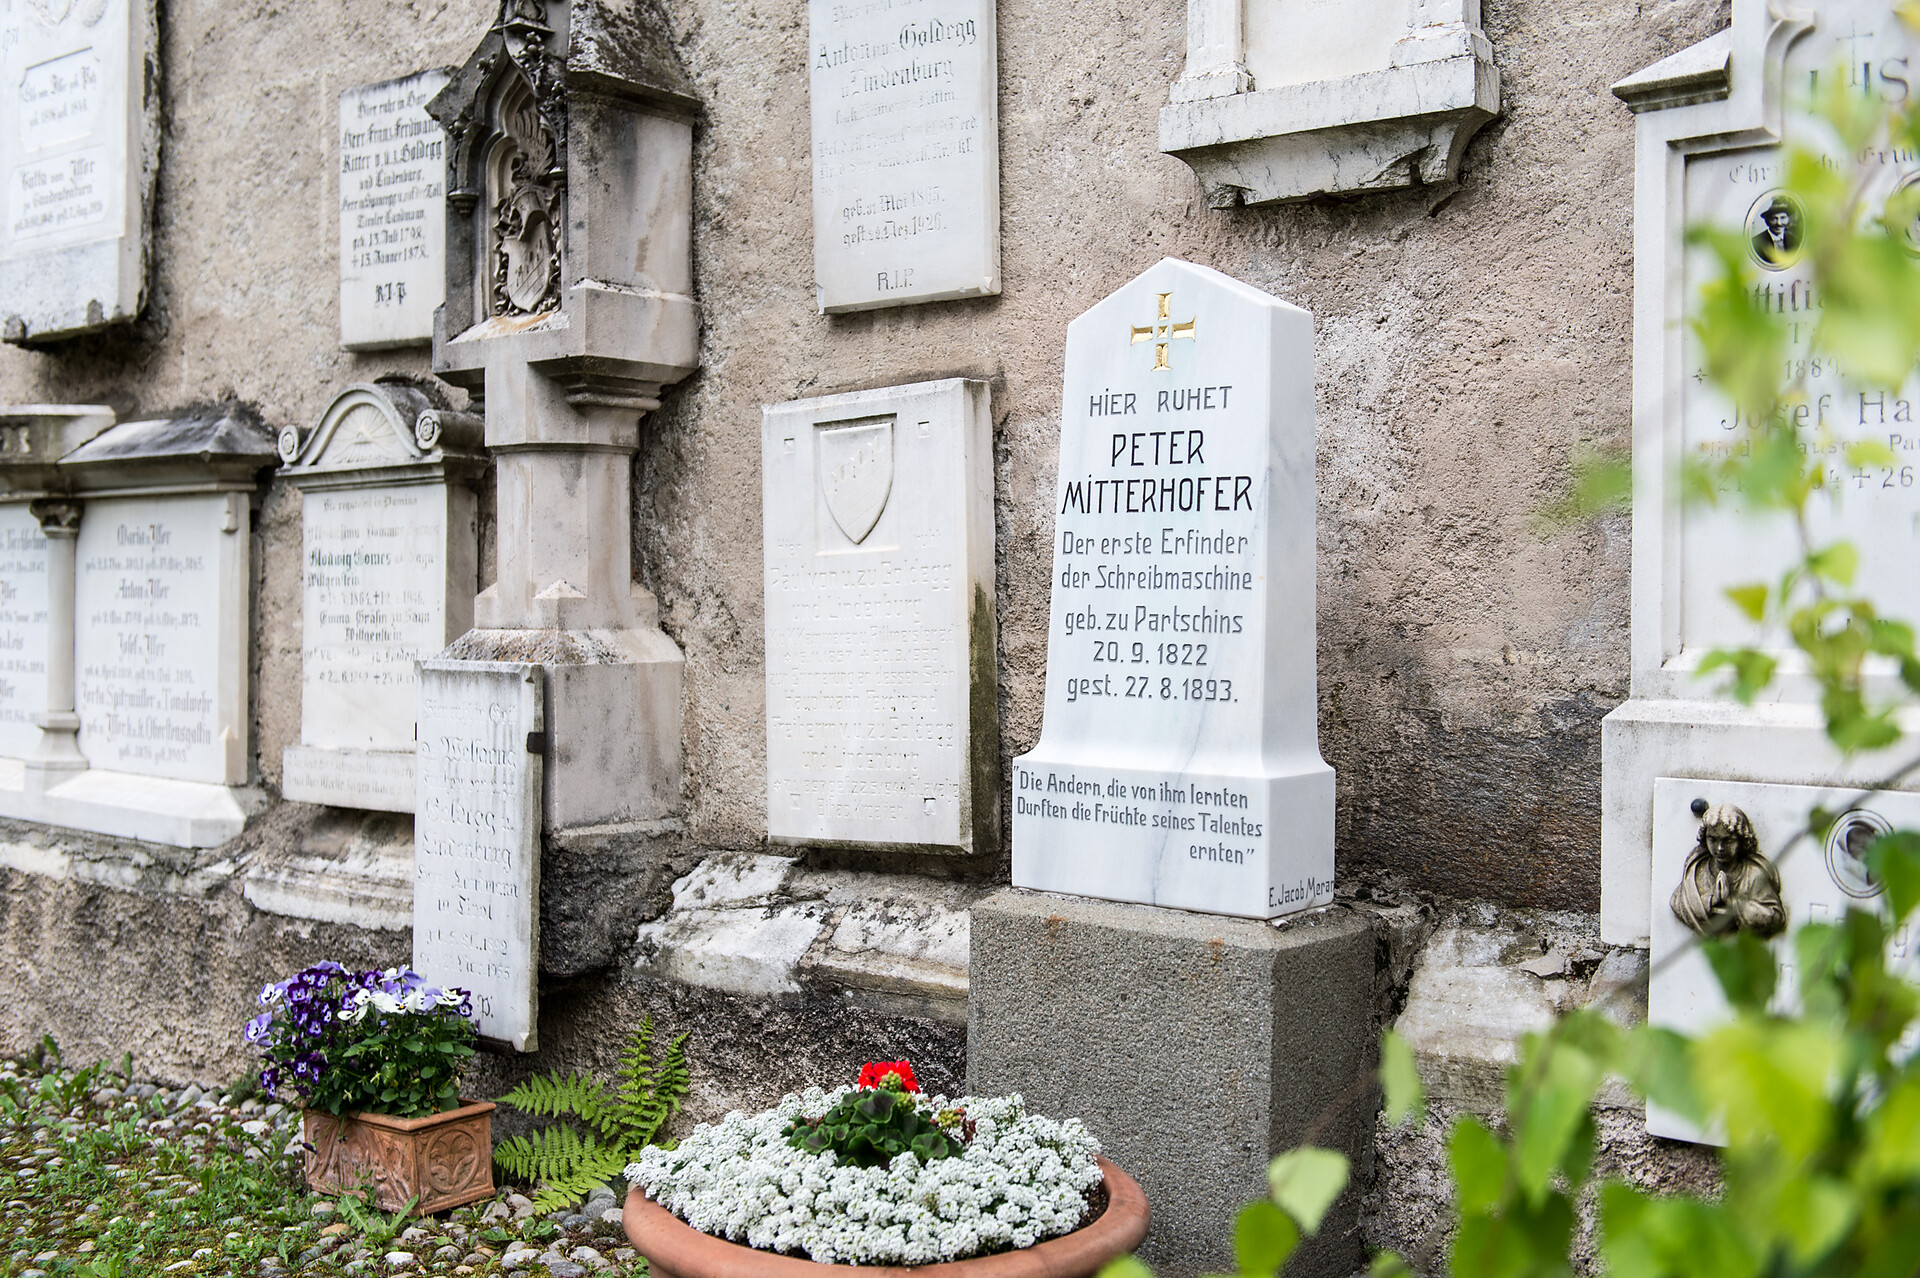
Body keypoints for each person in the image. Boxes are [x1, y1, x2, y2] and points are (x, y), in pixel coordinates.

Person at [1670, 802, 1787, 939]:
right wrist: (1713, 900)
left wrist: (1732, 901)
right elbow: (1678, 902)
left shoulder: (1754, 874)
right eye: (1712, 840)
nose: (1719, 848)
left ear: (1741, 840)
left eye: (1728, 841)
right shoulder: (1697, 872)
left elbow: (1775, 917)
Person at [1751, 196, 1802, 267]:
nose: (1779, 223)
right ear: (1767, 221)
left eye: (1783, 218)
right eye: (1774, 219)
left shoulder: (1794, 239)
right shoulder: (1757, 242)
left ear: (1788, 219)